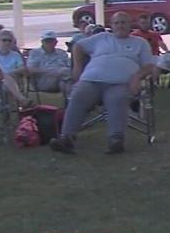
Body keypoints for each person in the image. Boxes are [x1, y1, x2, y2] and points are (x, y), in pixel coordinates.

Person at [49, 12, 157, 155]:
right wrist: (77, 68)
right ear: (111, 25)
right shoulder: (101, 38)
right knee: (79, 95)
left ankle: (116, 140)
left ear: (130, 24)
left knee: (117, 99)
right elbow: (77, 47)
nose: (120, 26)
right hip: (91, 80)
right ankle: (66, 138)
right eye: (117, 23)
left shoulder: (139, 43)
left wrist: (137, 77)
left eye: (124, 22)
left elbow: (149, 66)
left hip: (121, 83)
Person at [0, 30, 33, 108]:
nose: (7, 43)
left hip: (11, 81)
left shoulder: (15, 55)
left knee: (5, 81)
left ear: (13, 42)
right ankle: (21, 99)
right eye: (4, 40)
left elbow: (22, 69)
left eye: (9, 40)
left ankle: (7, 108)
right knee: (2, 75)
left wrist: (10, 73)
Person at [27, 30, 72, 96]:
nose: (49, 43)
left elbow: (70, 68)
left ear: (56, 42)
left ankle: (69, 103)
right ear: (42, 42)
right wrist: (52, 71)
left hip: (61, 80)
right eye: (47, 41)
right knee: (65, 73)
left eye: (51, 41)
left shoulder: (62, 53)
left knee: (66, 82)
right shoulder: (35, 53)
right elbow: (30, 70)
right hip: (43, 81)